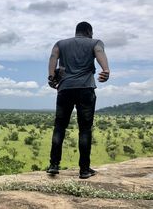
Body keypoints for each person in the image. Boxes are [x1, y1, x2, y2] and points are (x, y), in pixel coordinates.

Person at [46, 21, 110, 179]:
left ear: (77, 31)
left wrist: (51, 77)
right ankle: (84, 170)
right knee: (85, 129)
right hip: (85, 89)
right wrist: (106, 70)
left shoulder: (60, 43)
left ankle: (54, 165)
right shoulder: (95, 42)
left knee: (59, 127)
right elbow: (99, 52)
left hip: (65, 89)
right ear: (89, 32)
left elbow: (53, 57)